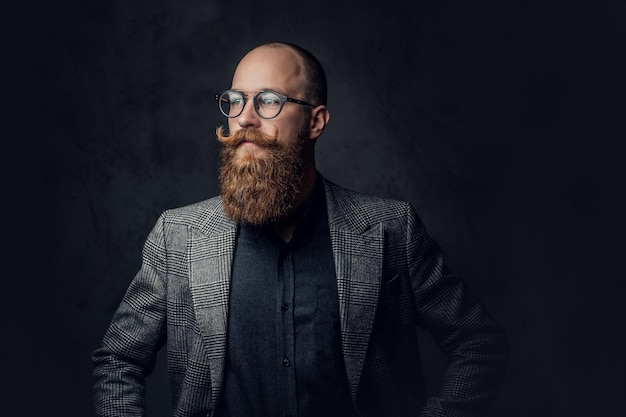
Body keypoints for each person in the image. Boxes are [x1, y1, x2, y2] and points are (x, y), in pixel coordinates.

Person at [92, 41, 508, 417]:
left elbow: (478, 342)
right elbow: (118, 361)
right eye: (235, 100)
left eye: (269, 101)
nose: (245, 119)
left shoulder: (389, 229)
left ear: (316, 121)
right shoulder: (178, 236)